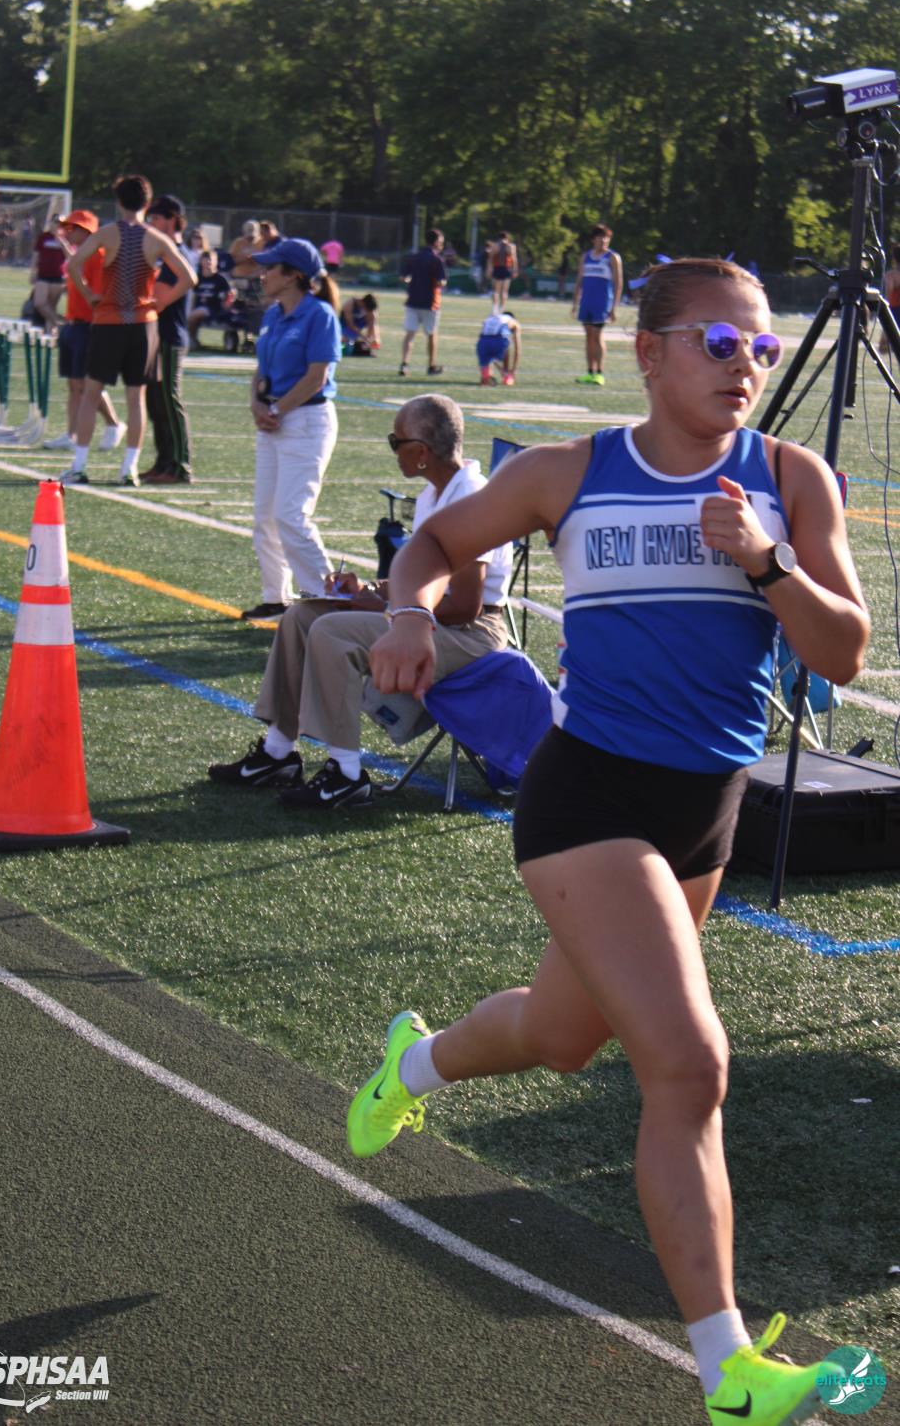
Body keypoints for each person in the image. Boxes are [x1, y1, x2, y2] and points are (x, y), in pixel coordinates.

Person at [349, 257, 870, 1426]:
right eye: (719, 344)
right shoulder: (568, 473)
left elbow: (842, 652)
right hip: (587, 801)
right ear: (648, 352)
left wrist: (768, 562)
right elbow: (431, 550)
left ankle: (412, 1064)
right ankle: (728, 1371)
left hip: (705, 812)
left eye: (761, 348)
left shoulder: (790, 480)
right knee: (687, 1065)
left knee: (561, 1035)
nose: (746, 367)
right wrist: (404, 618)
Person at [208, 393, 512, 807]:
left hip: (471, 634)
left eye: (396, 442)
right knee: (302, 616)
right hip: (432, 619)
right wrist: (369, 589)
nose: (394, 450)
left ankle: (346, 773)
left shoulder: (470, 499)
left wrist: (389, 608)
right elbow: (424, 579)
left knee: (332, 632)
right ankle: (278, 752)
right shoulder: (435, 494)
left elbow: (465, 607)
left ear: (422, 452)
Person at [60, 174, 196, 488]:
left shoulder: (108, 233)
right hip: (142, 324)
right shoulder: (155, 238)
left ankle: (79, 466)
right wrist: (159, 303)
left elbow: (74, 264)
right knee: (136, 398)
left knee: (91, 393)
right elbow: (189, 277)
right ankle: (128, 468)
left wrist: (89, 294)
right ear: (147, 203)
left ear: (119, 201)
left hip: (109, 322)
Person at [243, 237, 342, 619]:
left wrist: (276, 409)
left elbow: (318, 377)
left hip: (306, 422)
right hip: (275, 421)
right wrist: (257, 403)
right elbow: (261, 370)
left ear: (293, 276)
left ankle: (326, 600)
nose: (263, 274)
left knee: (291, 515)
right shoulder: (273, 315)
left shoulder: (320, 315)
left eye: (270, 268)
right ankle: (276, 597)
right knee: (265, 517)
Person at [45, 210, 124, 454]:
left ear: (87, 231)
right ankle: (71, 433)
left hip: (90, 325)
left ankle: (114, 423)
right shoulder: (80, 254)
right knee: (73, 384)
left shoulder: (97, 256)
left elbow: (97, 296)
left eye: (73, 228)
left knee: (86, 384)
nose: (68, 232)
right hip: (74, 322)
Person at [144, 193, 195, 484]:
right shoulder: (164, 254)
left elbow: (160, 297)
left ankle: (179, 465)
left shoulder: (176, 255)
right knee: (155, 402)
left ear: (173, 220)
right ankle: (163, 462)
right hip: (157, 334)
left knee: (168, 401)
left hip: (169, 336)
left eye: (157, 217)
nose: (151, 223)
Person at [572, 223, 624, 385]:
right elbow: (579, 281)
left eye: (606, 238)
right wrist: (575, 303)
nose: (604, 241)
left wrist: (614, 307)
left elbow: (618, 283)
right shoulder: (586, 257)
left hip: (602, 303)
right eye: (601, 237)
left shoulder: (612, 257)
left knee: (597, 334)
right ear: (593, 239)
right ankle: (589, 372)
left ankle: (600, 373)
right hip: (586, 302)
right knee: (588, 335)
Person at [399, 227, 447, 378]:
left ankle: (404, 364)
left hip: (413, 300)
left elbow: (404, 277)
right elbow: (441, 281)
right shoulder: (436, 259)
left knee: (410, 334)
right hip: (430, 302)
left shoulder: (414, 257)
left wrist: (414, 283)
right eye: (441, 242)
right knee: (431, 334)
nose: (442, 245)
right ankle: (431, 365)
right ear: (436, 242)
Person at [188, 250, 234, 348]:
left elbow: (229, 295)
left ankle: (191, 340)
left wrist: (227, 306)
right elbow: (194, 296)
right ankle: (193, 339)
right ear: (201, 261)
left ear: (216, 262)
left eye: (211, 260)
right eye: (206, 259)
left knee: (196, 314)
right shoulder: (198, 278)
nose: (208, 262)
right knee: (192, 314)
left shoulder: (220, 279)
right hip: (200, 307)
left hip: (214, 308)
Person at [30, 217, 69, 332]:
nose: (57, 225)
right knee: (40, 303)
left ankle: (50, 332)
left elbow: (70, 256)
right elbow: (36, 255)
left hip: (58, 276)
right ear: (51, 223)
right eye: (55, 222)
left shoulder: (66, 238)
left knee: (51, 307)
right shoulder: (43, 237)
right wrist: (33, 272)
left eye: (60, 224)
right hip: (43, 275)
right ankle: (59, 323)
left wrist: (62, 242)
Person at [476, 309, 521, 385]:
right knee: (506, 346)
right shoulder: (513, 322)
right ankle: (507, 375)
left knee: (488, 358)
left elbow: (482, 333)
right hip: (499, 341)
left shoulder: (491, 318)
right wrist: (514, 370)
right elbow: (517, 349)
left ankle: (486, 375)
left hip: (482, 342)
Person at [487, 230, 518, 309]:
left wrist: (489, 269)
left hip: (497, 268)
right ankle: (502, 308)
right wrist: (515, 270)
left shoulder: (495, 246)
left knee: (495, 291)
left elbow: (490, 259)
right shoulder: (511, 246)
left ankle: (495, 308)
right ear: (507, 238)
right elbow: (514, 259)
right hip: (507, 269)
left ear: (499, 238)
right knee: (504, 291)